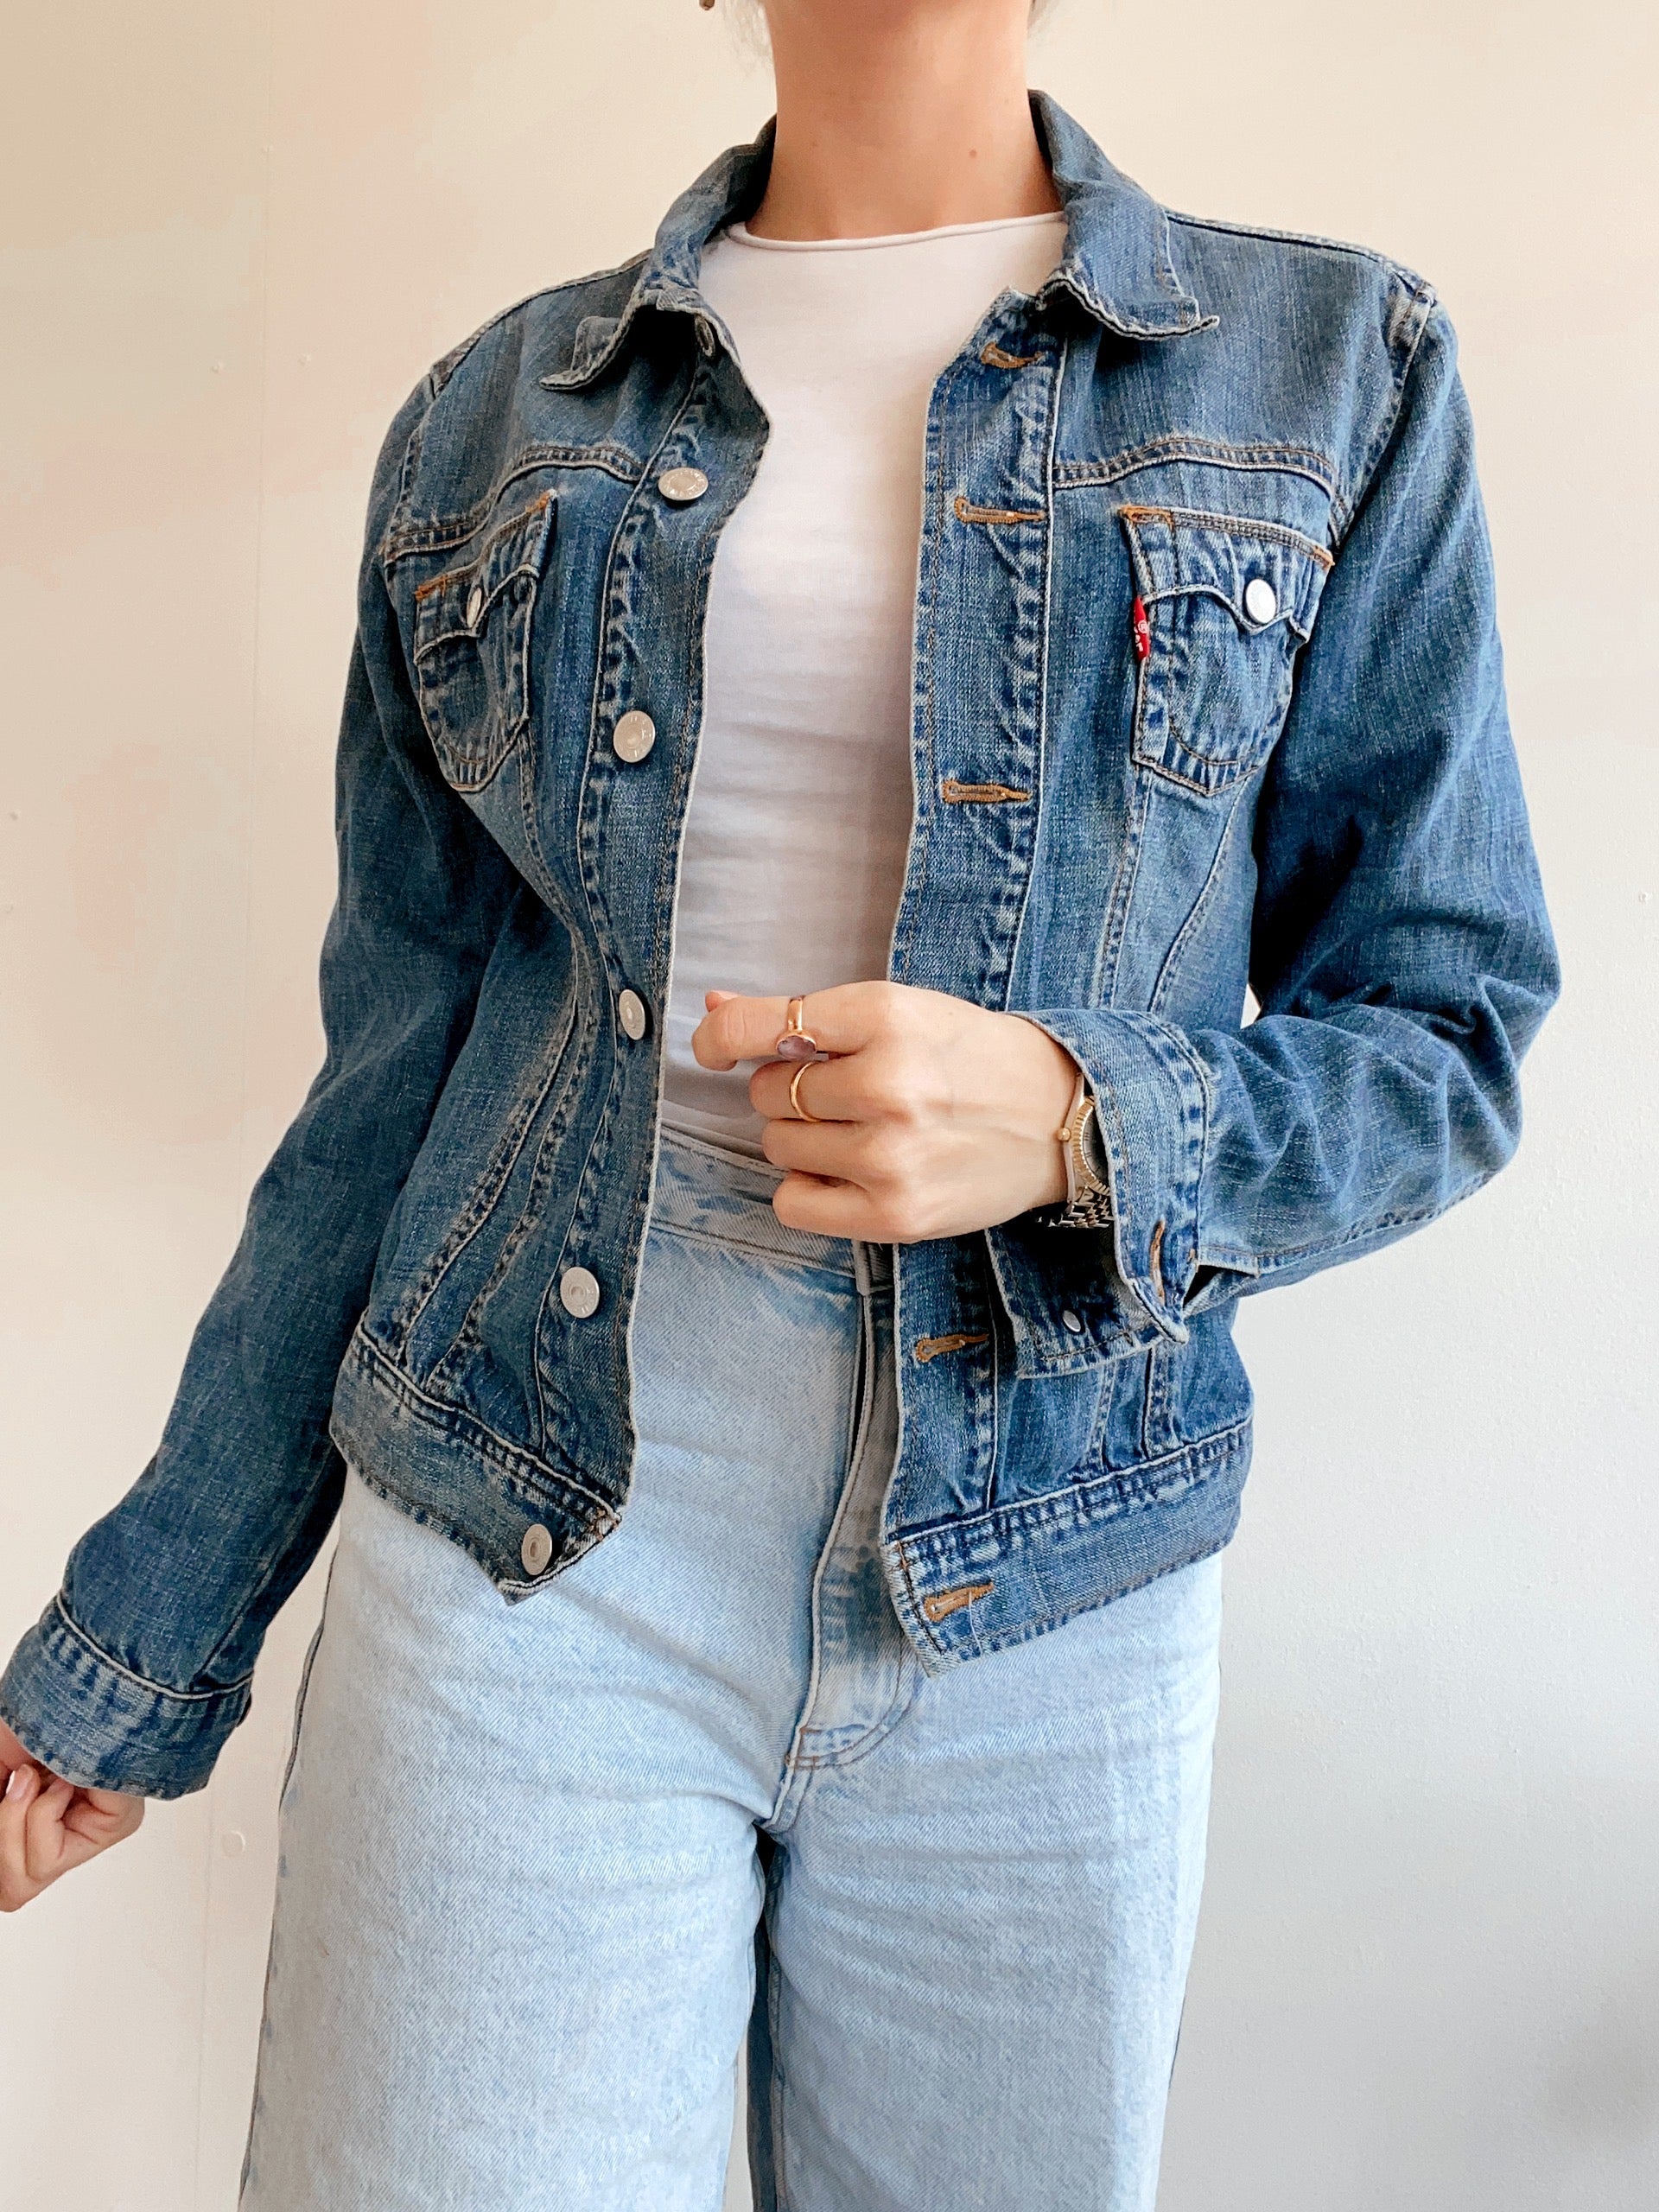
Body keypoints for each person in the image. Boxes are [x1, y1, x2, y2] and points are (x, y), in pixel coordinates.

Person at [0, 0, 1559, 2203]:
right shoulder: (492, 421)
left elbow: (1444, 1022)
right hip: (527, 1516)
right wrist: (142, 1637)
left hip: (1050, 1558)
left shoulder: (1330, 372)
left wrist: (1078, 1118)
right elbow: (388, 1087)